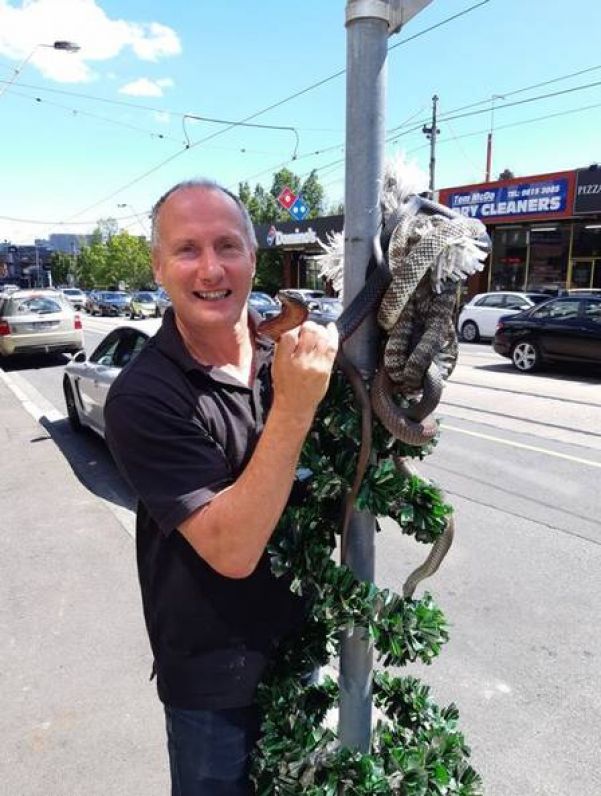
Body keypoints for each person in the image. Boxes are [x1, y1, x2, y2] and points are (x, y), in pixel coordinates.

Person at [104, 179, 338, 795]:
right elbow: (232, 551)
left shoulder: (283, 353)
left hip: (302, 648)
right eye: (187, 249)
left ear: (253, 259)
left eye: (228, 246)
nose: (211, 268)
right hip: (213, 684)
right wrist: (294, 408)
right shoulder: (145, 395)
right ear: (158, 267)